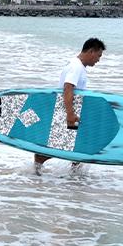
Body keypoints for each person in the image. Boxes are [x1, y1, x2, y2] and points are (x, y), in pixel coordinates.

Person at [34, 37, 106, 173]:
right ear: (91, 51)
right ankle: (39, 165)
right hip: (69, 112)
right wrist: (70, 114)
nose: (98, 60)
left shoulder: (77, 66)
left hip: (71, 111)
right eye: (98, 55)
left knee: (78, 146)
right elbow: (68, 88)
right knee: (67, 145)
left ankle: (74, 175)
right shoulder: (76, 66)